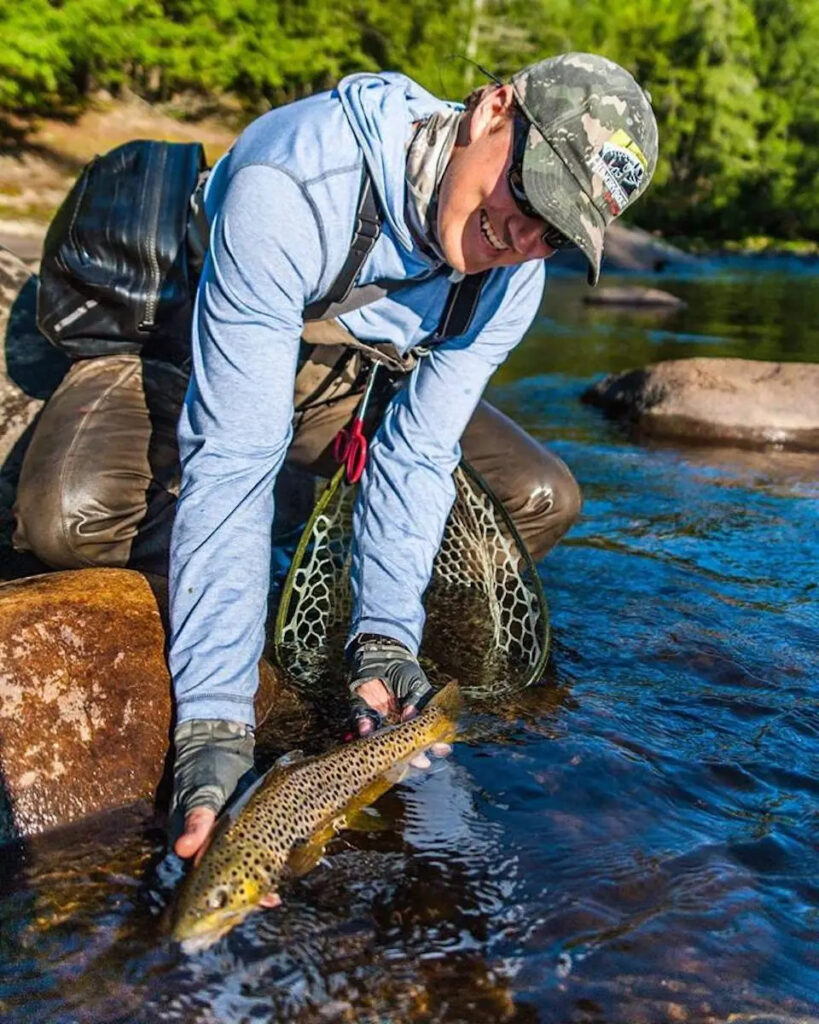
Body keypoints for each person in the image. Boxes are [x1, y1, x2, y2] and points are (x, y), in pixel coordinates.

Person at [13, 52, 658, 860]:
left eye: (556, 232)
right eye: (529, 195)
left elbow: (418, 453)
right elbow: (234, 460)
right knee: (69, 520)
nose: (523, 237)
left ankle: (337, 608)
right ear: (492, 110)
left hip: (342, 381)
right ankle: (262, 559)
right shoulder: (293, 182)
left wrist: (384, 636)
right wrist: (215, 725)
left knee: (536, 497)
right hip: (188, 353)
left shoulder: (512, 271)